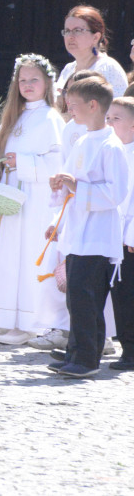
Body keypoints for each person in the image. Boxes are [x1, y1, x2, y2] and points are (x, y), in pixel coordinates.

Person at [0, 55, 64, 346]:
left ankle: (26, 323)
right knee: (0, 255)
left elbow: (57, 164)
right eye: (22, 80)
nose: (28, 85)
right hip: (5, 197)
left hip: (33, 200)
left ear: (47, 82)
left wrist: (21, 162)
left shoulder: (51, 118)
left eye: (34, 79)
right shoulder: (13, 115)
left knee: (25, 257)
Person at [46, 77, 127, 378]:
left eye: (74, 104)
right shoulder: (81, 140)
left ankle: (87, 359)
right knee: (74, 297)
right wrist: (61, 185)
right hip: (78, 233)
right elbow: (71, 184)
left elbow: (116, 193)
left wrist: (76, 186)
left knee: (87, 297)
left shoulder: (111, 146)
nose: (69, 109)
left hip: (98, 236)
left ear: (93, 105)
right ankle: (75, 353)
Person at [56, 5, 127, 100]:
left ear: (96, 37)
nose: (70, 36)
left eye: (77, 30)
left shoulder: (108, 68)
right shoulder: (68, 69)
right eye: (67, 31)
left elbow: (119, 109)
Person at [111, 97, 134, 370]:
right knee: (119, 293)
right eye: (108, 118)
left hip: (129, 238)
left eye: (116, 119)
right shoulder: (112, 150)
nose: (109, 123)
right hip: (112, 235)